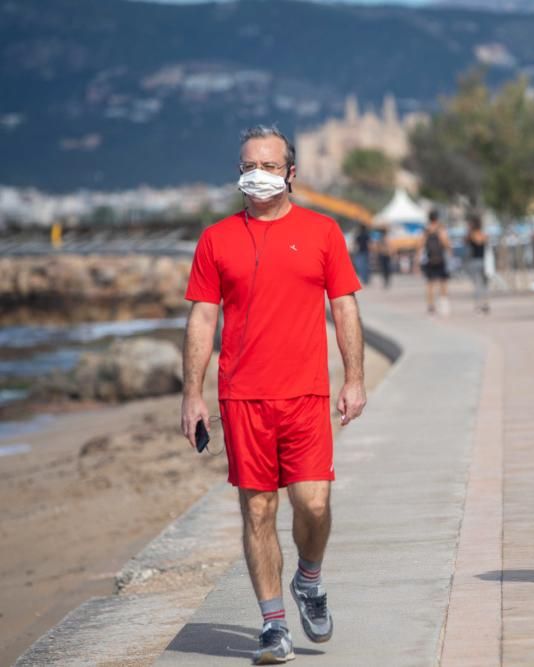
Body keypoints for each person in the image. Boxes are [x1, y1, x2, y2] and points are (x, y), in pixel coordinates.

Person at [180, 125, 366, 664]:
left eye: (267, 165)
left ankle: (309, 579)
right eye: (247, 165)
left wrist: (354, 378)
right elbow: (202, 317)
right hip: (242, 398)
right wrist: (193, 393)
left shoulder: (323, 231)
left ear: (290, 174)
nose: (255, 175)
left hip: (306, 394)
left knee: (314, 502)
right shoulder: (216, 239)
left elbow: (346, 307)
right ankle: (273, 624)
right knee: (257, 511)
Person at [418, 210, 451, 315]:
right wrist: (449, 251)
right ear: (437, 218)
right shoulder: (440, 229)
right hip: (440, 259)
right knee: (443, 282)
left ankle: (431, 306)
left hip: (430, 259)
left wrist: (418, 260)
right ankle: (443, 303)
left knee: (430, 284)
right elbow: (445, 243)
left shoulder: (426, 230)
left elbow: (420, 245)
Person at [465, 213, 490, 314]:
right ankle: (485, 304)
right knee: (484, 284)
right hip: (483, 261)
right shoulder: (484, 234)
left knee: (477, 284)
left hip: (475, 261)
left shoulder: (471, 235)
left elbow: (469, 242)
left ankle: (478, 304)